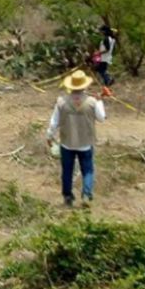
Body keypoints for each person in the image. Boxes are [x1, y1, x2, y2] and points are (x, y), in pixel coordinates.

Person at [45, 70, 106, 207]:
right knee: (88, 170)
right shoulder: (92, 102)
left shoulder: (61, 102)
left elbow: (54, 122)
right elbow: (102, 118)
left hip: (67, 143)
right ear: (85, 86)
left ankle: (67, 197)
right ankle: (86, 194)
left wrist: (49, 136)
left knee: (67, 170)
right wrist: (100, 101)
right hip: (85, 143)